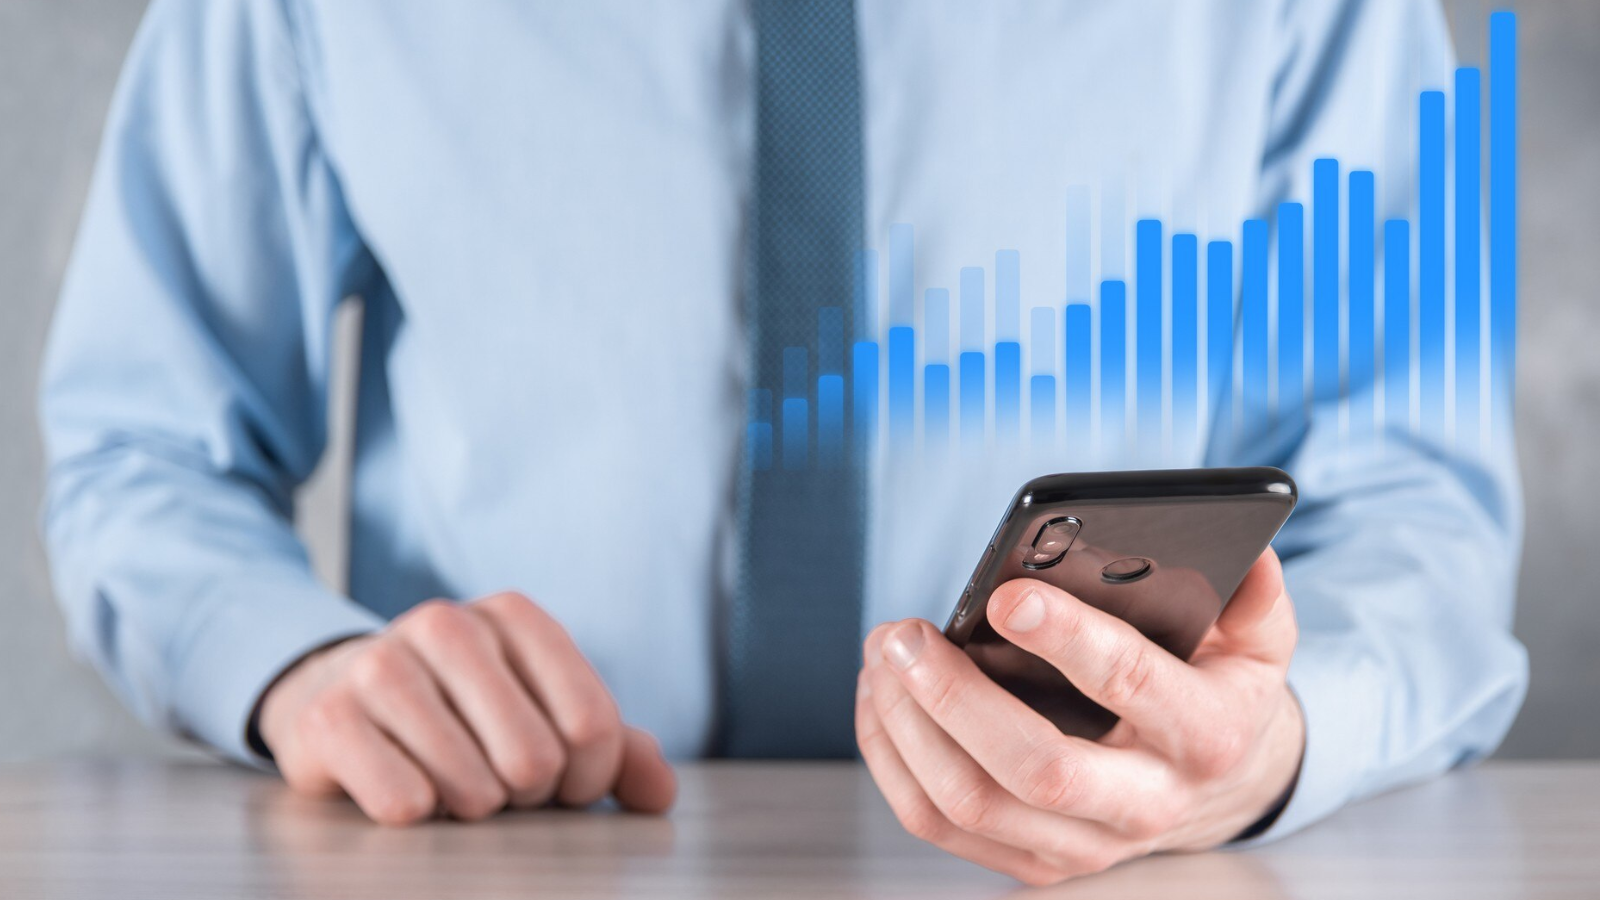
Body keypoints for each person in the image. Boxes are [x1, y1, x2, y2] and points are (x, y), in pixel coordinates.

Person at [39, 0, 1525, 885]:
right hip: (493, 863)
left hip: (1099, 880)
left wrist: (1268, 749)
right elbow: (143, 447)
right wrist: (300, 671)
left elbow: (1414, 500)